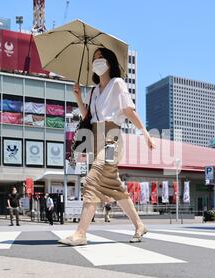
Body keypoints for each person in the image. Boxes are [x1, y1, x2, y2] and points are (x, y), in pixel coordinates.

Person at [58, 48, 156, 246]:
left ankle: (81, 233)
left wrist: (145, 134)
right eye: (94, 59)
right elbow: (87, 116)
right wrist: (78, 96)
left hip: (112, 139)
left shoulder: (117, 84)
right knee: (116, 187)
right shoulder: (93, 90)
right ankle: (139, 225)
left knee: (93, 179)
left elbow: (128, 111)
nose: (97, 61)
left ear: (109, 62)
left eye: (100, 57)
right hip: (95, 139)